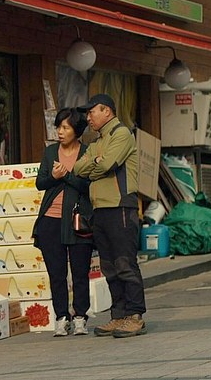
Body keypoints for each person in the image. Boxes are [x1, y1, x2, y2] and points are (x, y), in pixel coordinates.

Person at [72, 94, 146, 338]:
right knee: (109, 266)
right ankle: (119, 315)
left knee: (125, 263)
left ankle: (135, 316)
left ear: (107, 111)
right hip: (100, 209)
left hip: (120, 207)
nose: (88, 117)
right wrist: (96, 162)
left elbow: (107, 165)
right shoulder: (98, 140)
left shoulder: (121, 134)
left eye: (91, 112)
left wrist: (95, 165)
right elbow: (78, 168)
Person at [33, 108, 93, 337]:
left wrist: (66, 175)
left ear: (76, 130)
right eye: (58, 127)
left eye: (65, 127)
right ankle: (61, 317)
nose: (60, 131)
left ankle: (80, 317)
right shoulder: (50, 152)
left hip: (78, 220)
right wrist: (53, 177)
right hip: (50, 220)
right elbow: (40, 183)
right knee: (56, 273)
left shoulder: (87, 152)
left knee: (80, 272)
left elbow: (88, 186)